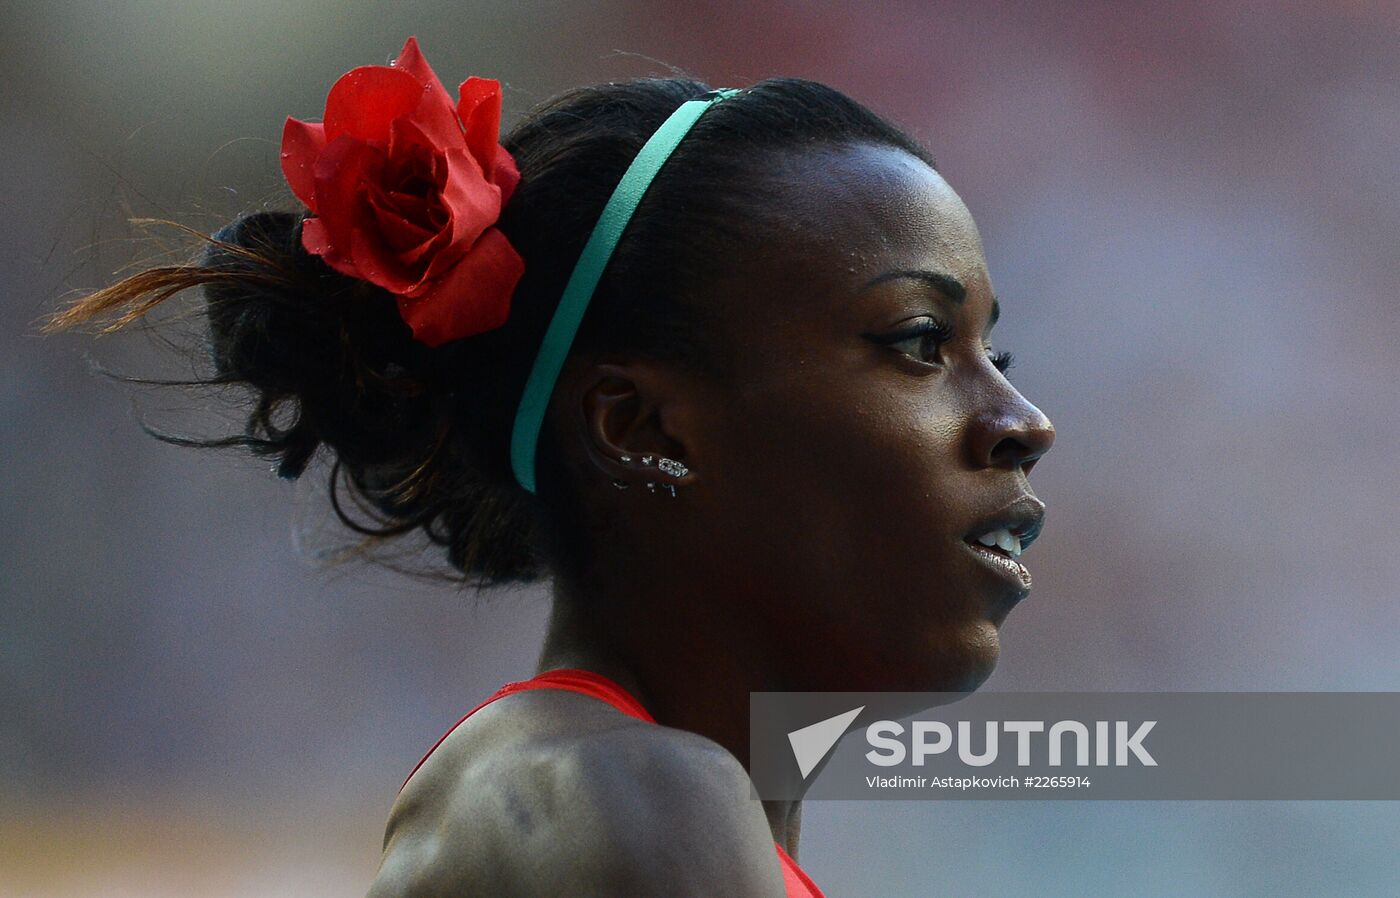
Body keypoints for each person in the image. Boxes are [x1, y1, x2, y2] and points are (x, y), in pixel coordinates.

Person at [48, 37, 1054, 897]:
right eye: (919, 342)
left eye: (990, 358)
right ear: (639, 428)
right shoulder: (627, 799)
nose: (1021, 421)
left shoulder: (629, 800)